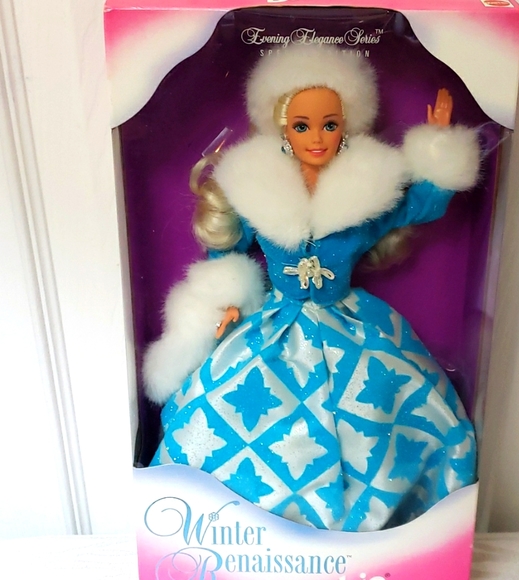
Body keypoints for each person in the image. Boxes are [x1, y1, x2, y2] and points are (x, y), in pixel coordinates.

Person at [143, 45, 479, 532]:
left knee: (383, 400)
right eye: (302, 126)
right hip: (275, 325)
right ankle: (234, 519)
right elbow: (228, 250)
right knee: (230, 402)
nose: (317, 137)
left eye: (329, 124)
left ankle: (398, 527)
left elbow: (420, 205)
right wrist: (227, 300)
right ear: (283, 127)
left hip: (350, 325)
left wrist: (438, 149)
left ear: (346, 126)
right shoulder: (256, 187)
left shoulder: (367, 189)